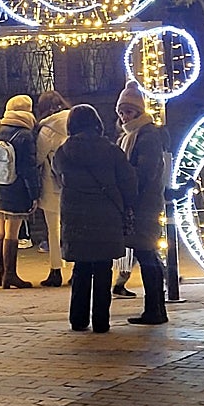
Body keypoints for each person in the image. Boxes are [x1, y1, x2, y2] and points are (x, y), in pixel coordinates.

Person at [53, 104, 137, 333]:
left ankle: (78, 320)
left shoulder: (64, 151)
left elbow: (57, 175)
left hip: (76, 215)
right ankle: (101, 320)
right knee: (103, 268)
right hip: (106, 215)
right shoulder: (111, 150)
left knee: (80, 269)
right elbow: (128, 181)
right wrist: (126, 203)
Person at [114, 80, 171, 325]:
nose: (125, 117)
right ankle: (155, 308)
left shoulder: (146, 136)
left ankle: (155, 309)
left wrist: (128, 187)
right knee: (147, 255)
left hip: (144, 205)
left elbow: (145, 172)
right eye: (121, 112)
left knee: (147, 255)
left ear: (139, 111)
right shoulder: (132, 135)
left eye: (128, 111)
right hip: (141, 204)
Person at [0, 95, 39, 289]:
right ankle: (11, 275)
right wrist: (34, 194)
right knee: (12, 233)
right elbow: (28, 169)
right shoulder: (25, 135)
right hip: (15, 189)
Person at [35, 90, 71, 287]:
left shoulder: (46, 130)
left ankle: (55, 271)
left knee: (54, 231)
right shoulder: (75, 121)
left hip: (52, 185)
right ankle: (76, 270)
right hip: (74, 185)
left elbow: (38, 158)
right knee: (73, 228)